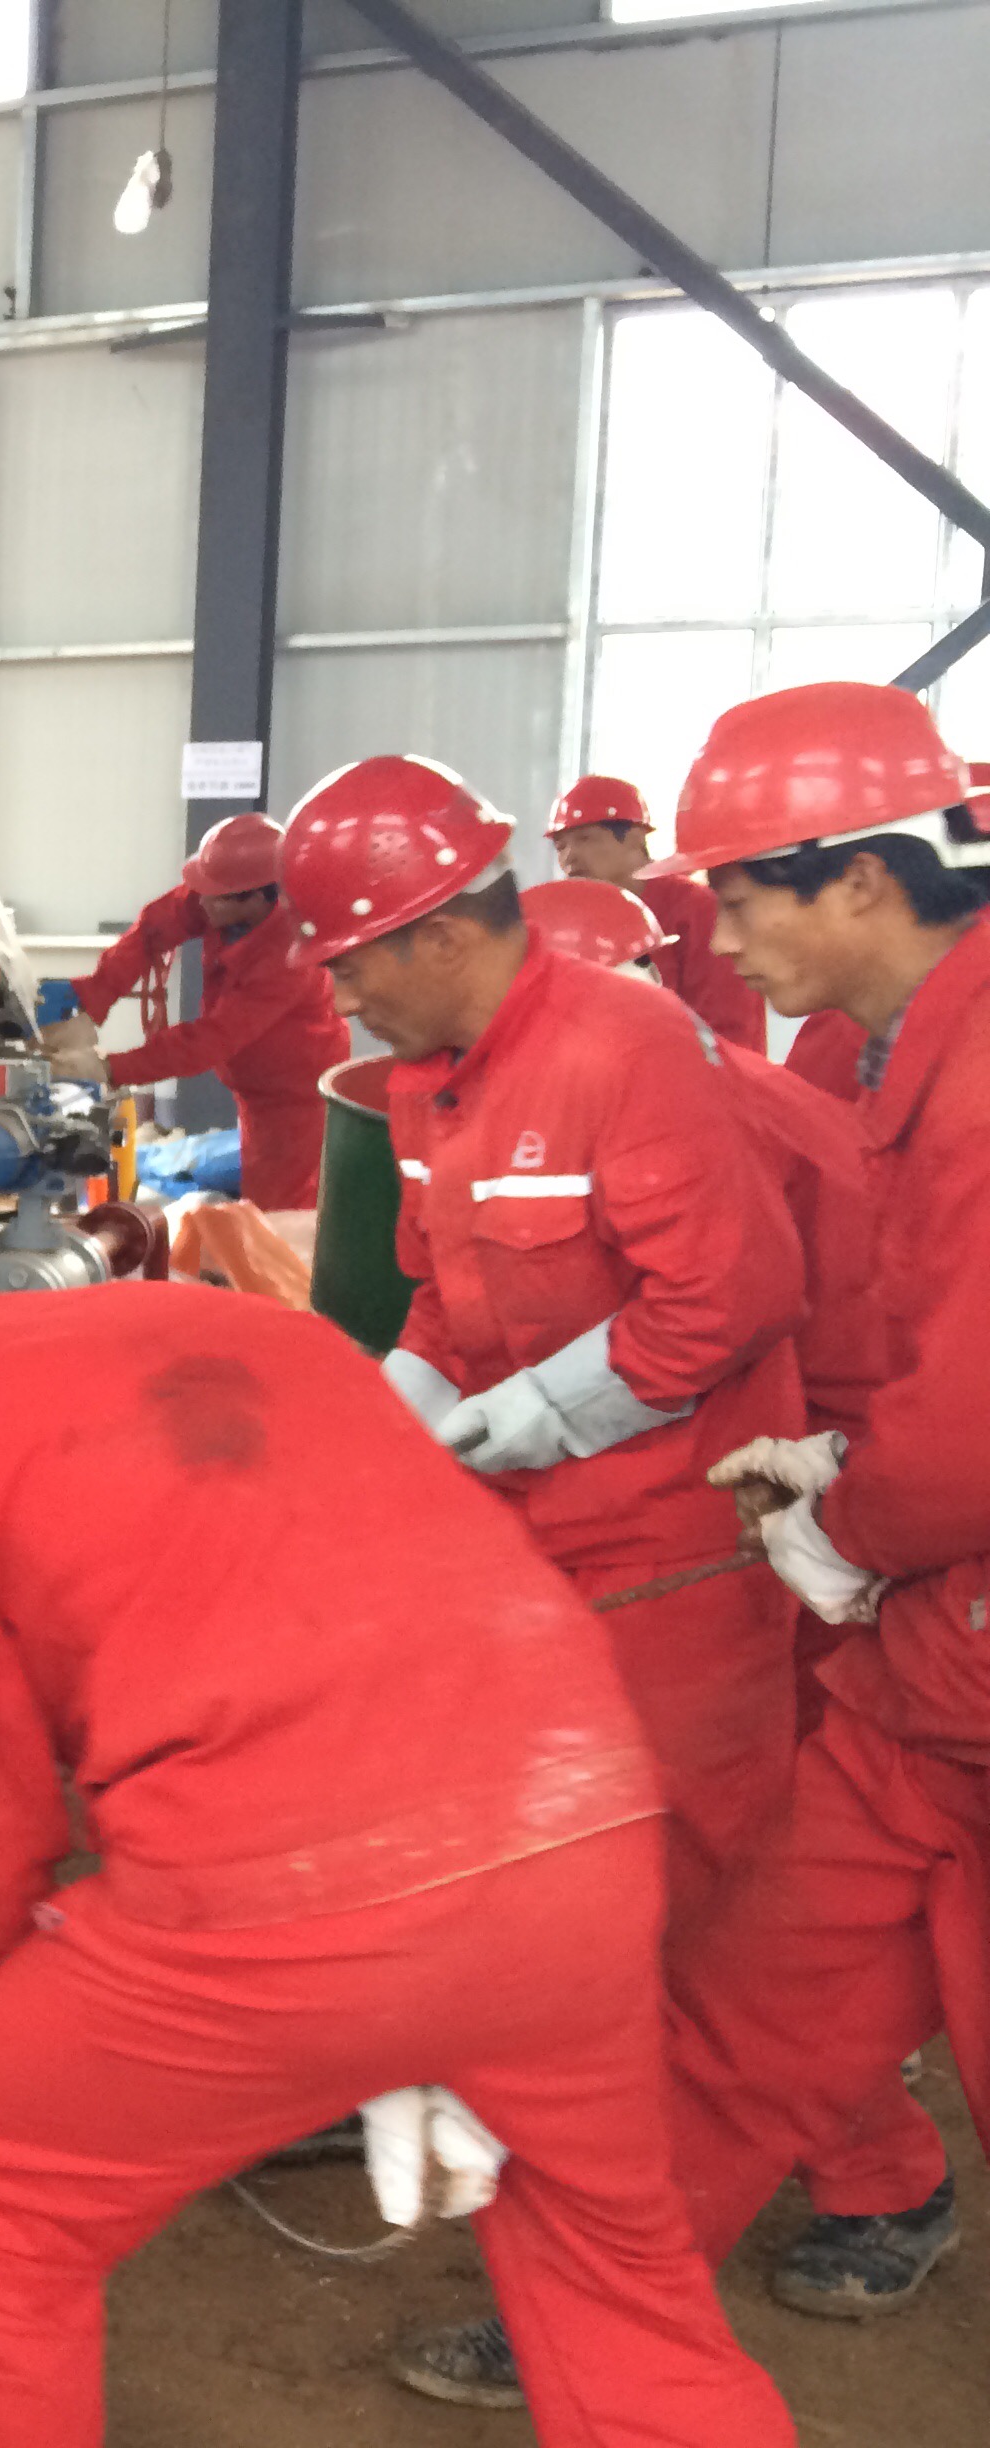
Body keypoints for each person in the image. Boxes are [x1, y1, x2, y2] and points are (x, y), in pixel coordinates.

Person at [0, 1187, 792, 2448]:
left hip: (292, 1893)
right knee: (617, 2272)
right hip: (581, 1829)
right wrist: (432, 2018)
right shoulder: (239, 1326)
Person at [277, 757, 811, 2407]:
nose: (343, 997)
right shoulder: (429, 1084)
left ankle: (599, 2294)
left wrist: (534, 1418)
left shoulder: (620, 1048)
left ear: (440, 931)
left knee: (652, 1935)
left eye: (353, 961)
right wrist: (387, 1428)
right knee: (541, 1895)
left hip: (670, 1560)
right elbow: (445, 1298)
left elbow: (724, 1296)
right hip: (535, 1549)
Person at [525, 875, 951, 2313]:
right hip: (729, 1527)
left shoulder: (734, 1125)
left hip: (780, 1536)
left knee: (733, 1888)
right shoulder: (561, 1117)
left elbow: (865, 1367)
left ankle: (883, 2177)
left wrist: (841, 1518)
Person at [637, 682, 990, 2329]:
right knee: (745, 2002)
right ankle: (597, 2320)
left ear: (858, 877)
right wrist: (856, 1477)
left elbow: (974, 1415)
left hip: (948, 1633)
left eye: (738, 895)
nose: (716, 937)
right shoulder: (913, 1050)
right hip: (932, 1670)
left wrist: (843, 1526)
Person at [58, 811, 348, 1209]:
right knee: (254, 1179)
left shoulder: (290, 957)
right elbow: (152, 930)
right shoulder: (220, 896)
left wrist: (110, 1068)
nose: (200, 900)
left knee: (278, 1205)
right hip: (252, 1077)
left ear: (258, 898)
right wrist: (94, 1001)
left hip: (293, 1093)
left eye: (215, 895)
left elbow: (208, 1040)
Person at [549, 773, 768, 1049]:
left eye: (585, 839)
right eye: (560, 846)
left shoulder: (698, 910)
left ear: (635, 837)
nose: (569, 857)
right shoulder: (576, 925)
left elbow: (729, 1031)